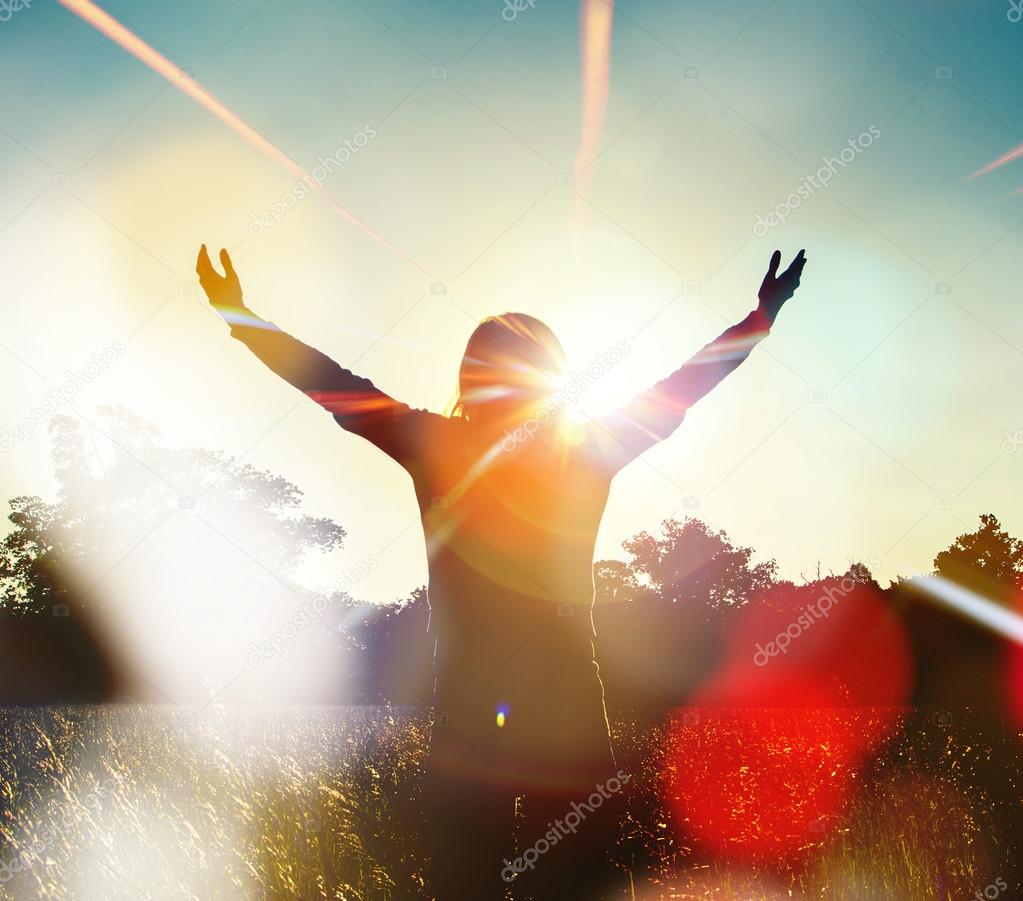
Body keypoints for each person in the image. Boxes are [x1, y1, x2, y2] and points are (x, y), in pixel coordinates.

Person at [196, 244, 808, 899]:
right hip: (562, 705)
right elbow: (680, 388)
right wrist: (757, 319)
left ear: (471, 377)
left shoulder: (439, 444)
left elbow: (334, 385)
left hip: (474, 703)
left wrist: (241, 314)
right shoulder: (584, 449)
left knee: (469, 882)